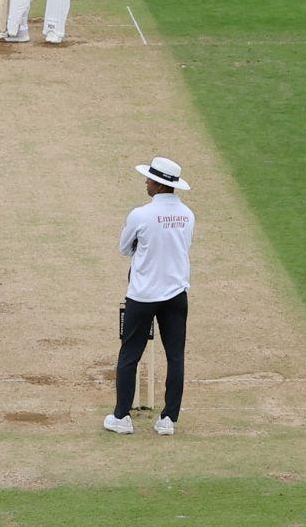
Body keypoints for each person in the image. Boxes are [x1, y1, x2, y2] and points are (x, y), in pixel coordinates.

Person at [104, 157, 194, 437]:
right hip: (176, 294)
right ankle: (168, 420)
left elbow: (124, 248)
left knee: (129, 355)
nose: (145, 181)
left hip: (143, 295)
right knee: (175, 356)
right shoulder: (188, 215)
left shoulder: (140, 215)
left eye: (149, 179)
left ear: (159, 184)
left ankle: (121, 417)